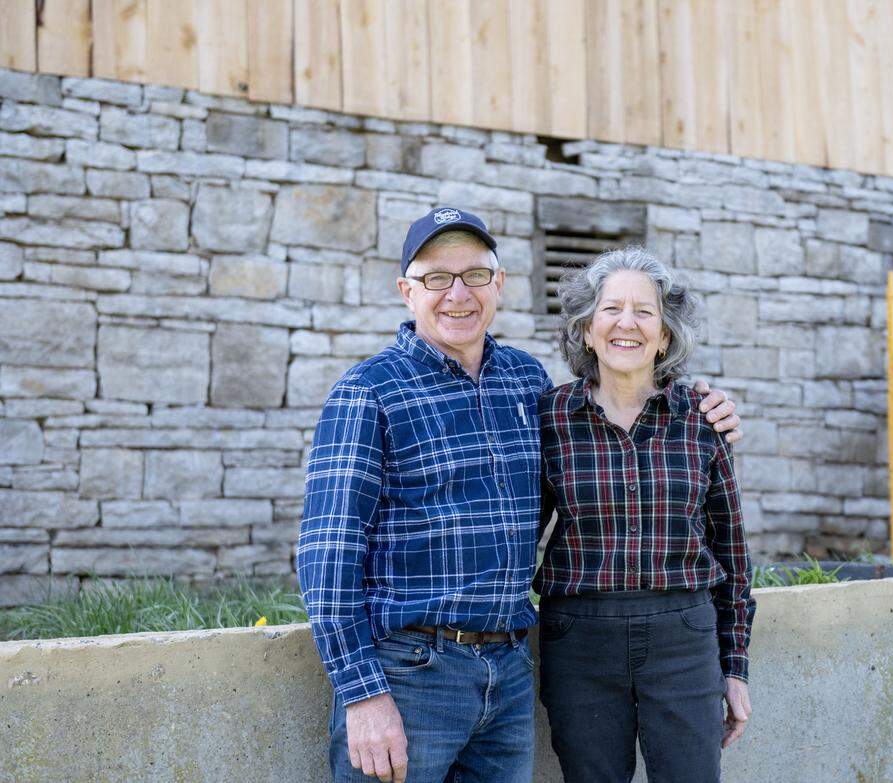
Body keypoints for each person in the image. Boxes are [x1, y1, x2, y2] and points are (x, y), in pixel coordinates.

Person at [298, 207, 743, 783]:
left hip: (508, 672)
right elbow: (326, 554)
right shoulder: (368, 393)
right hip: (411, 675)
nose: (457, 293)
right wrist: (361, 696)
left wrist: (706, 400)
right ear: (407, 291)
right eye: (437, 278)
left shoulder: (524, 381)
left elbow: (609, 427)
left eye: (475, 275)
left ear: (498, 284)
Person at [535, 246, 756, 783]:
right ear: (586, 329)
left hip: (683, 637)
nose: (625, 324)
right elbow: (516, 534)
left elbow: (733, 552)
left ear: (664, 335)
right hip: (579, 639)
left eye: (644, 311)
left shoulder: (703, 420)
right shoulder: (549, 419)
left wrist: (735, 666)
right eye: (610, 309)